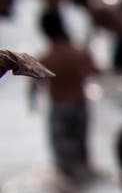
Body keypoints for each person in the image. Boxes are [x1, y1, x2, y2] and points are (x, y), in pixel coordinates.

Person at [32, 9, 95, 179]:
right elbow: (94, 72)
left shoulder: (45, 59)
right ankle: (86, 189)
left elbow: (35, 85)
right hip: (80, 104)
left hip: (59, 107)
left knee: (63, 161)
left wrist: (32, 103)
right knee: (82, 155)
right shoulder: (79, 53)